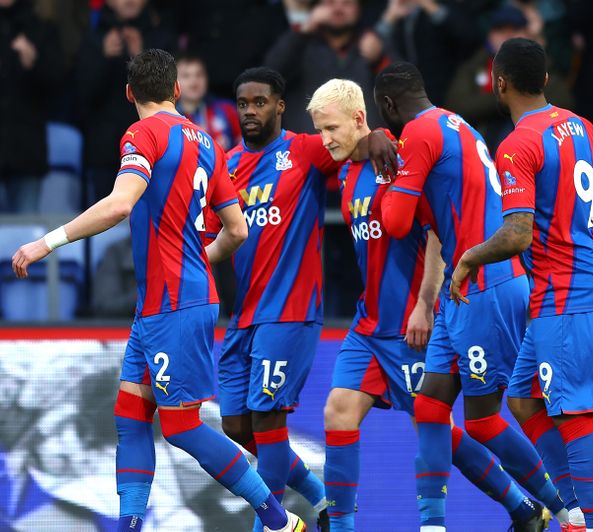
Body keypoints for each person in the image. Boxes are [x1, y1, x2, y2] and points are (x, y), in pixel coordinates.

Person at [11, 49, 305, 532]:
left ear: (130, 94)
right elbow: (236, 230)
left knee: (182, 427)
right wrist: (197, 264)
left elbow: (120, 204)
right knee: (130, 413)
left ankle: (278, 520)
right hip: (169, 300)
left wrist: (47, 242)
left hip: (174, 303)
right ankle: (130, 524)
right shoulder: (207, 141)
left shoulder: (142, 133)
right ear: (174, 89)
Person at [309, 77, 546, 532]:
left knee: (441, 433)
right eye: (319, 130)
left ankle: (524, 505)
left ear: (361, 118)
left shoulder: (400, 155)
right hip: (368, 323)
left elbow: (436, 229)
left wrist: (425, 303)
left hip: (410, 325)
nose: (325, 140)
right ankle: (341, 526)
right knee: (338, 410)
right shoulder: (345, 169)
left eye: (332, 129)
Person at [450, 38, 593, 532]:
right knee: (524, 396)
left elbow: (517, 233)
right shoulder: (580, 125)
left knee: (575, 410)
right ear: (546, 81)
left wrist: (468, 258)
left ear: (499, 82)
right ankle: (574, 509)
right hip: (578, 283)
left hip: (567, 289)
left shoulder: (517, 145)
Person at [375, 61, 567, 531]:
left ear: (388, 105)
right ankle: (437, 524)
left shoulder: (418, 135)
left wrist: (382, 174)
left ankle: (567, 509)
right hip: (460, 289)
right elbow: (437, 223)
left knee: (483, 421)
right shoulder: (452, 122)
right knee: (429, 405)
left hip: (487, 285)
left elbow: (396, 224)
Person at [206, 67, 394, 532]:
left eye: (260, 102)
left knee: (268, 419)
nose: (251, 111)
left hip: (291, 312)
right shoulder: (226, 166)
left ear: (279, 106)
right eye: (244, 103)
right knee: (237, 428)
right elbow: (211, 235)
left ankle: (272, 525)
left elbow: (357, 140)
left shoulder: (306, 151)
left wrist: (384, 135)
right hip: (243, 315)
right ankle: (322, 498)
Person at [74, 0, 175, 204]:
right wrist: (102, 57)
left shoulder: (161, 36)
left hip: (154, 145)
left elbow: (169, 94)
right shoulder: (93, 37)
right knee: (105, 220)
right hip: (104, 150)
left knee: (152, 214)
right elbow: (81, 96)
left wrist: (142, 58)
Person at [444, 5, 572, 151]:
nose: (507, 36)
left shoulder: (541, 63)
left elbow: (562, 101)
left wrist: (506, 94)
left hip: (534, 145)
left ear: (528, 34)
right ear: (490, 35)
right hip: (481, 147)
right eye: (501, 31)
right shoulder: (474, 65)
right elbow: (456, 106)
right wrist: (511, 95)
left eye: (515, 30)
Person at [265, 0, 388, 134]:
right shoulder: (300, 44)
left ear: (359, 9)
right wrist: (304, 30)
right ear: (317, 8)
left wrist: (379, 60)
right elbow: (270, 75)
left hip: (364, 145)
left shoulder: (374, 42)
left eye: (347, 3)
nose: (338, 8)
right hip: (308, 144)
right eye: (330, 2)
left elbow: (400, 87)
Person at [0, 0, 64, 213]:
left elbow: (59, 86)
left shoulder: (42, 30)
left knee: (25, 234)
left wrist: (34, 63)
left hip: (26, 149)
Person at [176, 53, 241, 151]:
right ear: (174, 82)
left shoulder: (227, 109)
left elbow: (248, 146)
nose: (194, 82)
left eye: (199, 75)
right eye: (186, 76)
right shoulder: (168, 118)